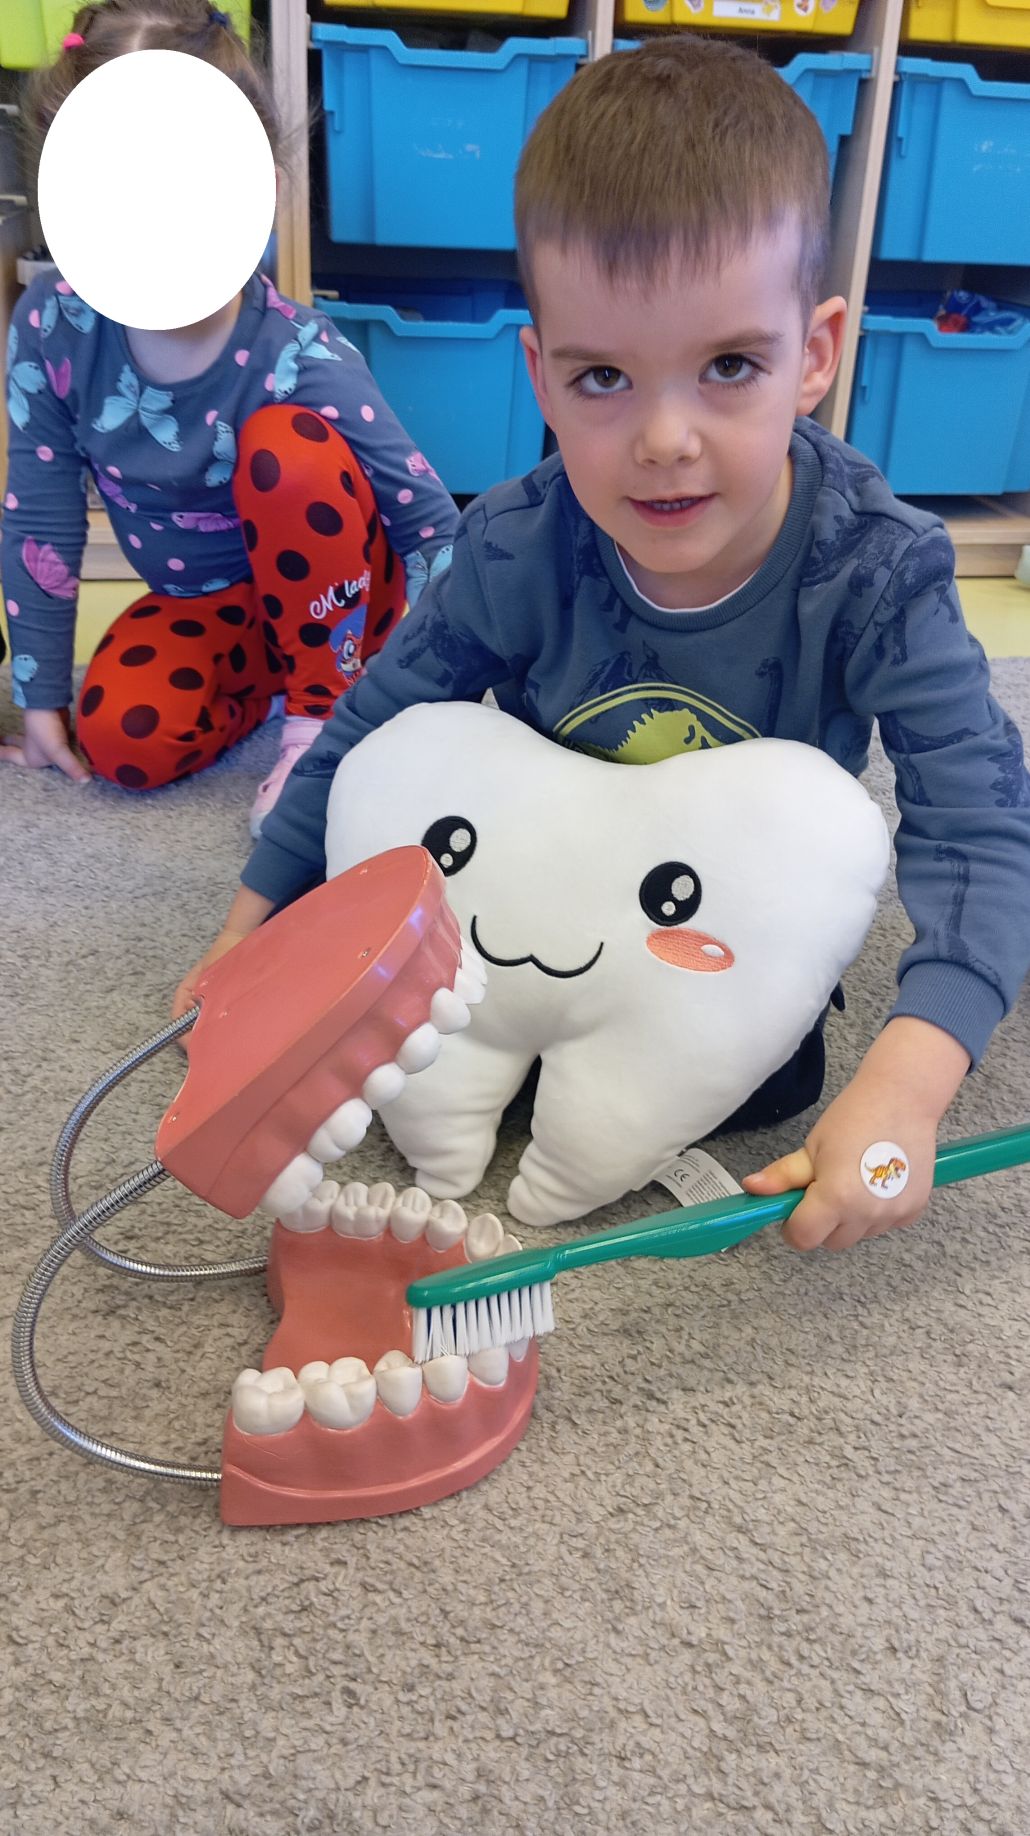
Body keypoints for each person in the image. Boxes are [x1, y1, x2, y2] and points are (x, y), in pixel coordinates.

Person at [175, 35, 1030, 1251]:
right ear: (538, 373)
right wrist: (248, 928)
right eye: (602, 379)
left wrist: (910, 1080)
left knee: (777, 1082)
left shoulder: (880, 569)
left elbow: (981, 821)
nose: (664, 440)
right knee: (407, 1017)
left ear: (815, 356)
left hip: (698, 922)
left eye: (727, 365)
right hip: (528, 890)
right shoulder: (516, 540)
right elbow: (375, 727)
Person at [0, 0, 457, 834]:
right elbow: (40, 516)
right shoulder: (51, 328)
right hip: (212, 613)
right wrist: (40, 698)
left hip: (348, 601)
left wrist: (429, 686)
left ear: (261, 191)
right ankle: (275, 688)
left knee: (286, 450)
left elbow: (429, 526)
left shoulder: (299, 352)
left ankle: (321, 716)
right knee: (122, 741)